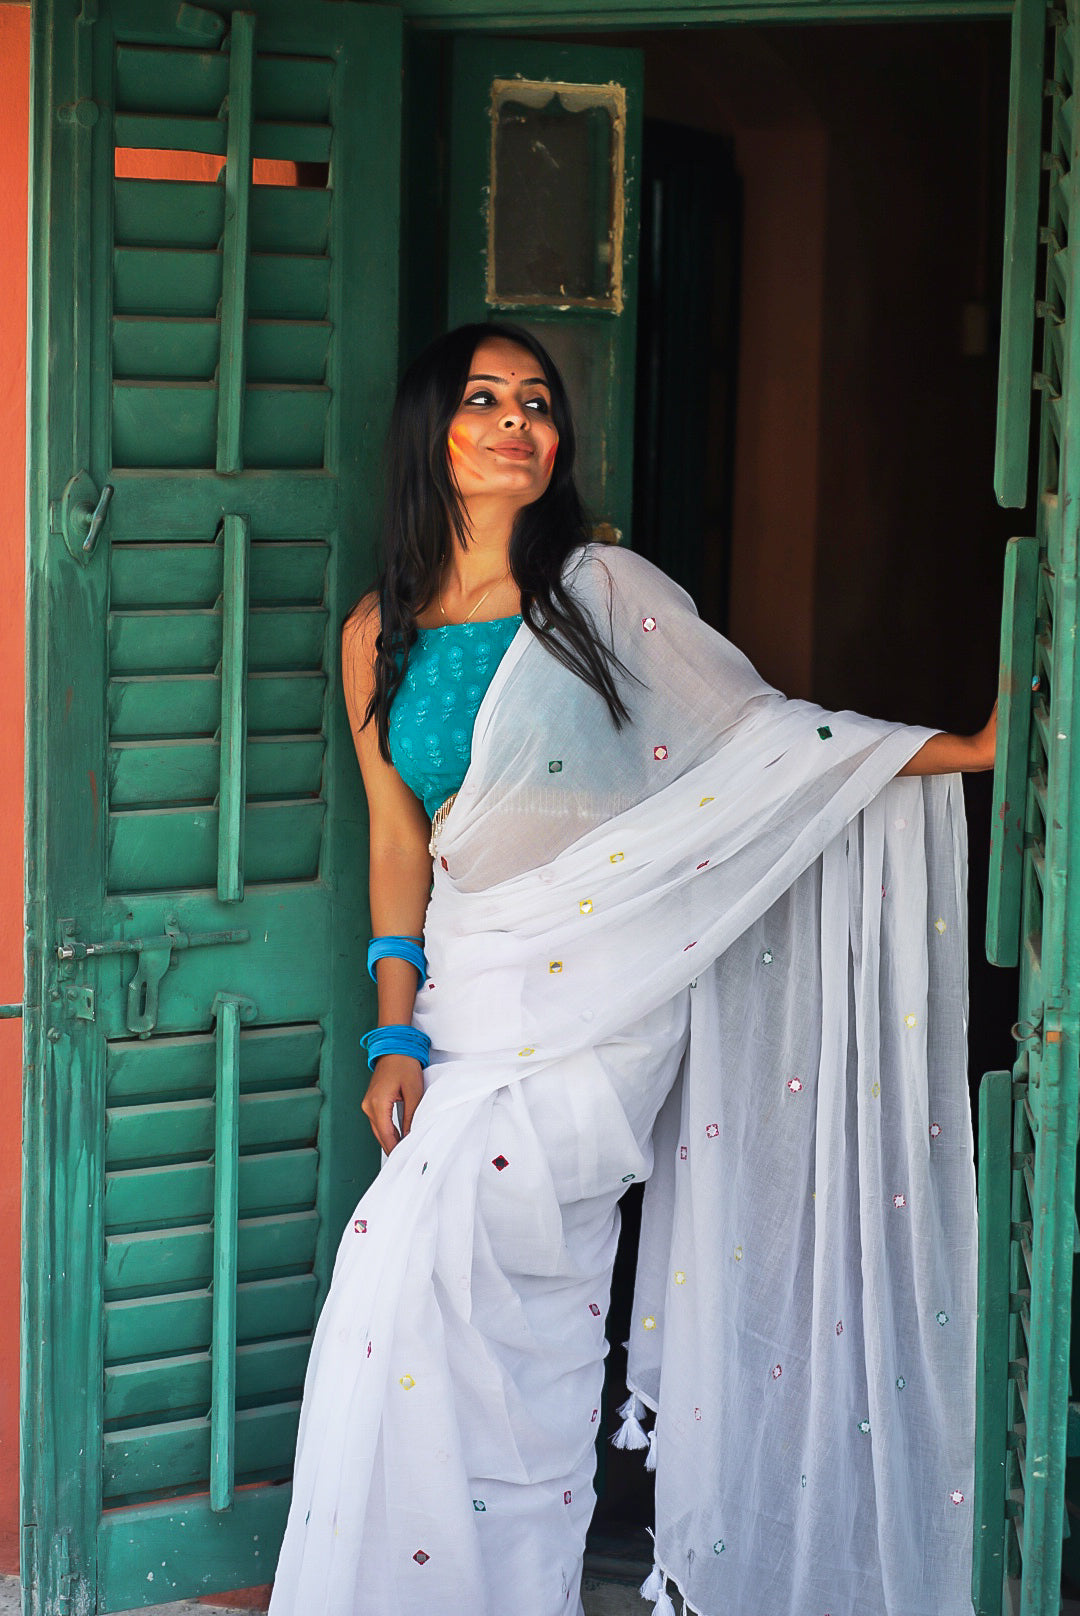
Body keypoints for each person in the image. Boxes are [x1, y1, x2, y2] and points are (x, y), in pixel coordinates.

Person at [268, 323, 994, 1616]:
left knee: (460, 1292)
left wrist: (958, 750)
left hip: (598, 1006)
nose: (517, 420)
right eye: (484, 398)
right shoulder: (377, 631)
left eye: (537, 402)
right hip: (469, 997)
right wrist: (395, 1032)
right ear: (431, 434)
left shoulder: (600, 594)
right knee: (419, 1315)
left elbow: (756, 744)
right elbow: (398, 840)